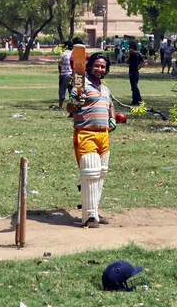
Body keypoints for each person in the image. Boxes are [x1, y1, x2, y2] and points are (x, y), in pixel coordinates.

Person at [67, 53, 116, 228]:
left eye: (103, 67)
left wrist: (112, 119)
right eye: (96, 66)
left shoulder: (105, 89)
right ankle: (88, 217)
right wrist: (74, 101)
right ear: (89, 67)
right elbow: (70, 108)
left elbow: (110, 104)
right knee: (90, 173)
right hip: (85, 133)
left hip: (104, 135)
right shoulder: (81, 85)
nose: (100, 69)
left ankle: (94, 210)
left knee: (100, 174)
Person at [126, 41, 145, 105]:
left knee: (134, 87)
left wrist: (128, 55)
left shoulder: (132, 54)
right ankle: (135, 100)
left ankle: (139, 99)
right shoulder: (139, 54)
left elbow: (127, 61)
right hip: (136, 72)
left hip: (132, 72)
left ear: (131, 47)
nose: (128, 48)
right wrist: (138, 68)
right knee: (134, 87)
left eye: (129, 47)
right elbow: (144, 62)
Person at [58, 40, 73, 110]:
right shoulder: (74, 54)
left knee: (62, 90)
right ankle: (72, 107)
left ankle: (60, 106)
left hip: (64, 74)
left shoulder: (63, 54)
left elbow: (60, 65)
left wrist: (60, 74)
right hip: (73, 74)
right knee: (72, 91)